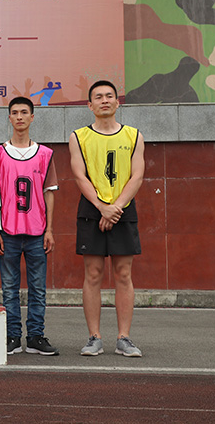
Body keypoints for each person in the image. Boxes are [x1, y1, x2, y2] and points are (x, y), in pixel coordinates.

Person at [70, 80, 145, 357]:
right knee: (93, 274)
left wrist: (115, 208)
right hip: (92, 209)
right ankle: (94, 337)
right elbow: (80, 176)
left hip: (123, 208)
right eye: (98, 97)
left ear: (117, 102)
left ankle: (124, 338)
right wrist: (102, 207)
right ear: (89, 105)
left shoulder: (134, 135)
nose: (104, 100)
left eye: (109, 96)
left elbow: (137, 176)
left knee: (123, 274)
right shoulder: (79, 136)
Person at [0, 96, 59, 355]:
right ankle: (13, 336)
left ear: (32, 117)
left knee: (38, 288)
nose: (19, 117)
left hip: (38, 231)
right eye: (15, 112)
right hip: (8, 231)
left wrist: (50, 229)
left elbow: (49, 193)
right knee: (9, 289)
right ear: (9, 117)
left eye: (24, 112)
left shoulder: (45, 154)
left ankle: (36, 336)